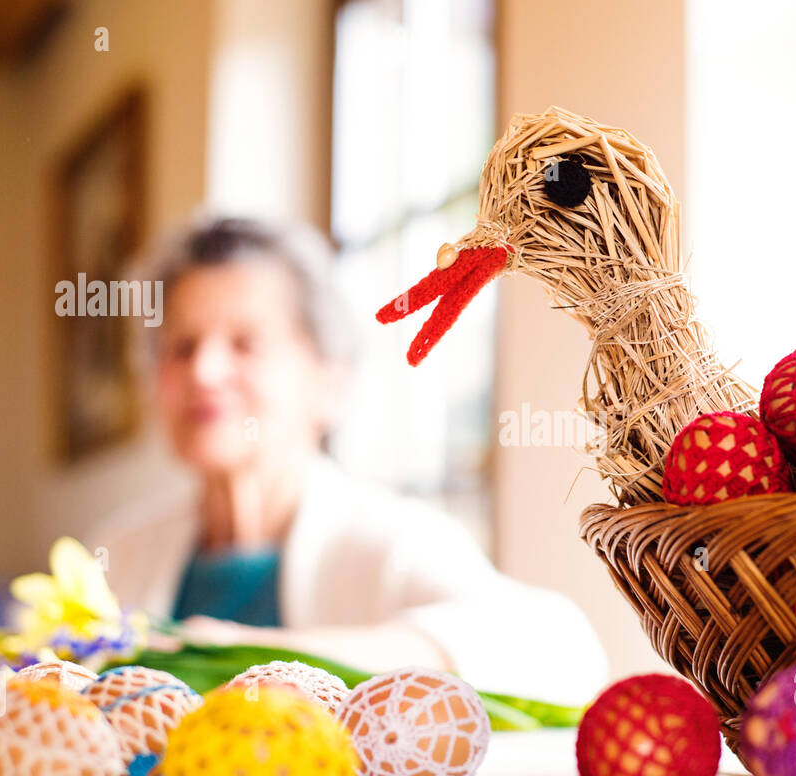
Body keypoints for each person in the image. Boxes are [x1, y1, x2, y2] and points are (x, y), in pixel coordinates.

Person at [91, 216, 607, 704]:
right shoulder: (121, 550)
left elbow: (563, 653)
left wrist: (255, 655)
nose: (203, 370)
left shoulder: (391, 540)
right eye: (180, 347)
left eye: (245, 343)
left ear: (330, 383)